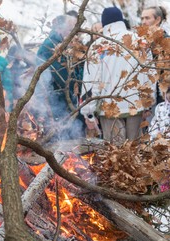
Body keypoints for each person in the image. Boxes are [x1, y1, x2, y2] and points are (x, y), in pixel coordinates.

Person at [81, 7, 156, 145]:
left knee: (116, 155)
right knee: (134, 150)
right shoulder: (141, 42)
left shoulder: (98, 45)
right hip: (136, 105)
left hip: (109, 107)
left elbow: (91, 81)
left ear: (104, 24)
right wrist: (149, 104)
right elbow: (151, 75)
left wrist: (88, 112)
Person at [37, 14, 84, 140]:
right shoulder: (51, 45)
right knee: (61, 139)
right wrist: (78, 84)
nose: (75, 33)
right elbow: (64, 79)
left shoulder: (62, 43)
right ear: (60, 28)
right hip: (56, 100)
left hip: (62, 100)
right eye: (71, 29)